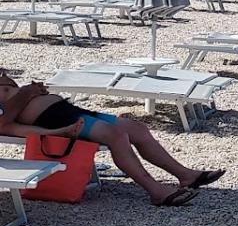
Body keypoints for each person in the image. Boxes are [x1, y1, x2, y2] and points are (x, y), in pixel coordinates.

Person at [0, 73, 223, 206]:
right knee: (117, 136)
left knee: (138, 129)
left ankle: (186, 176)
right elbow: (4, 124)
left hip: (67, 110)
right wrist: (27, 94)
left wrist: (29, 90)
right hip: (55, 119)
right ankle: (156, 190)